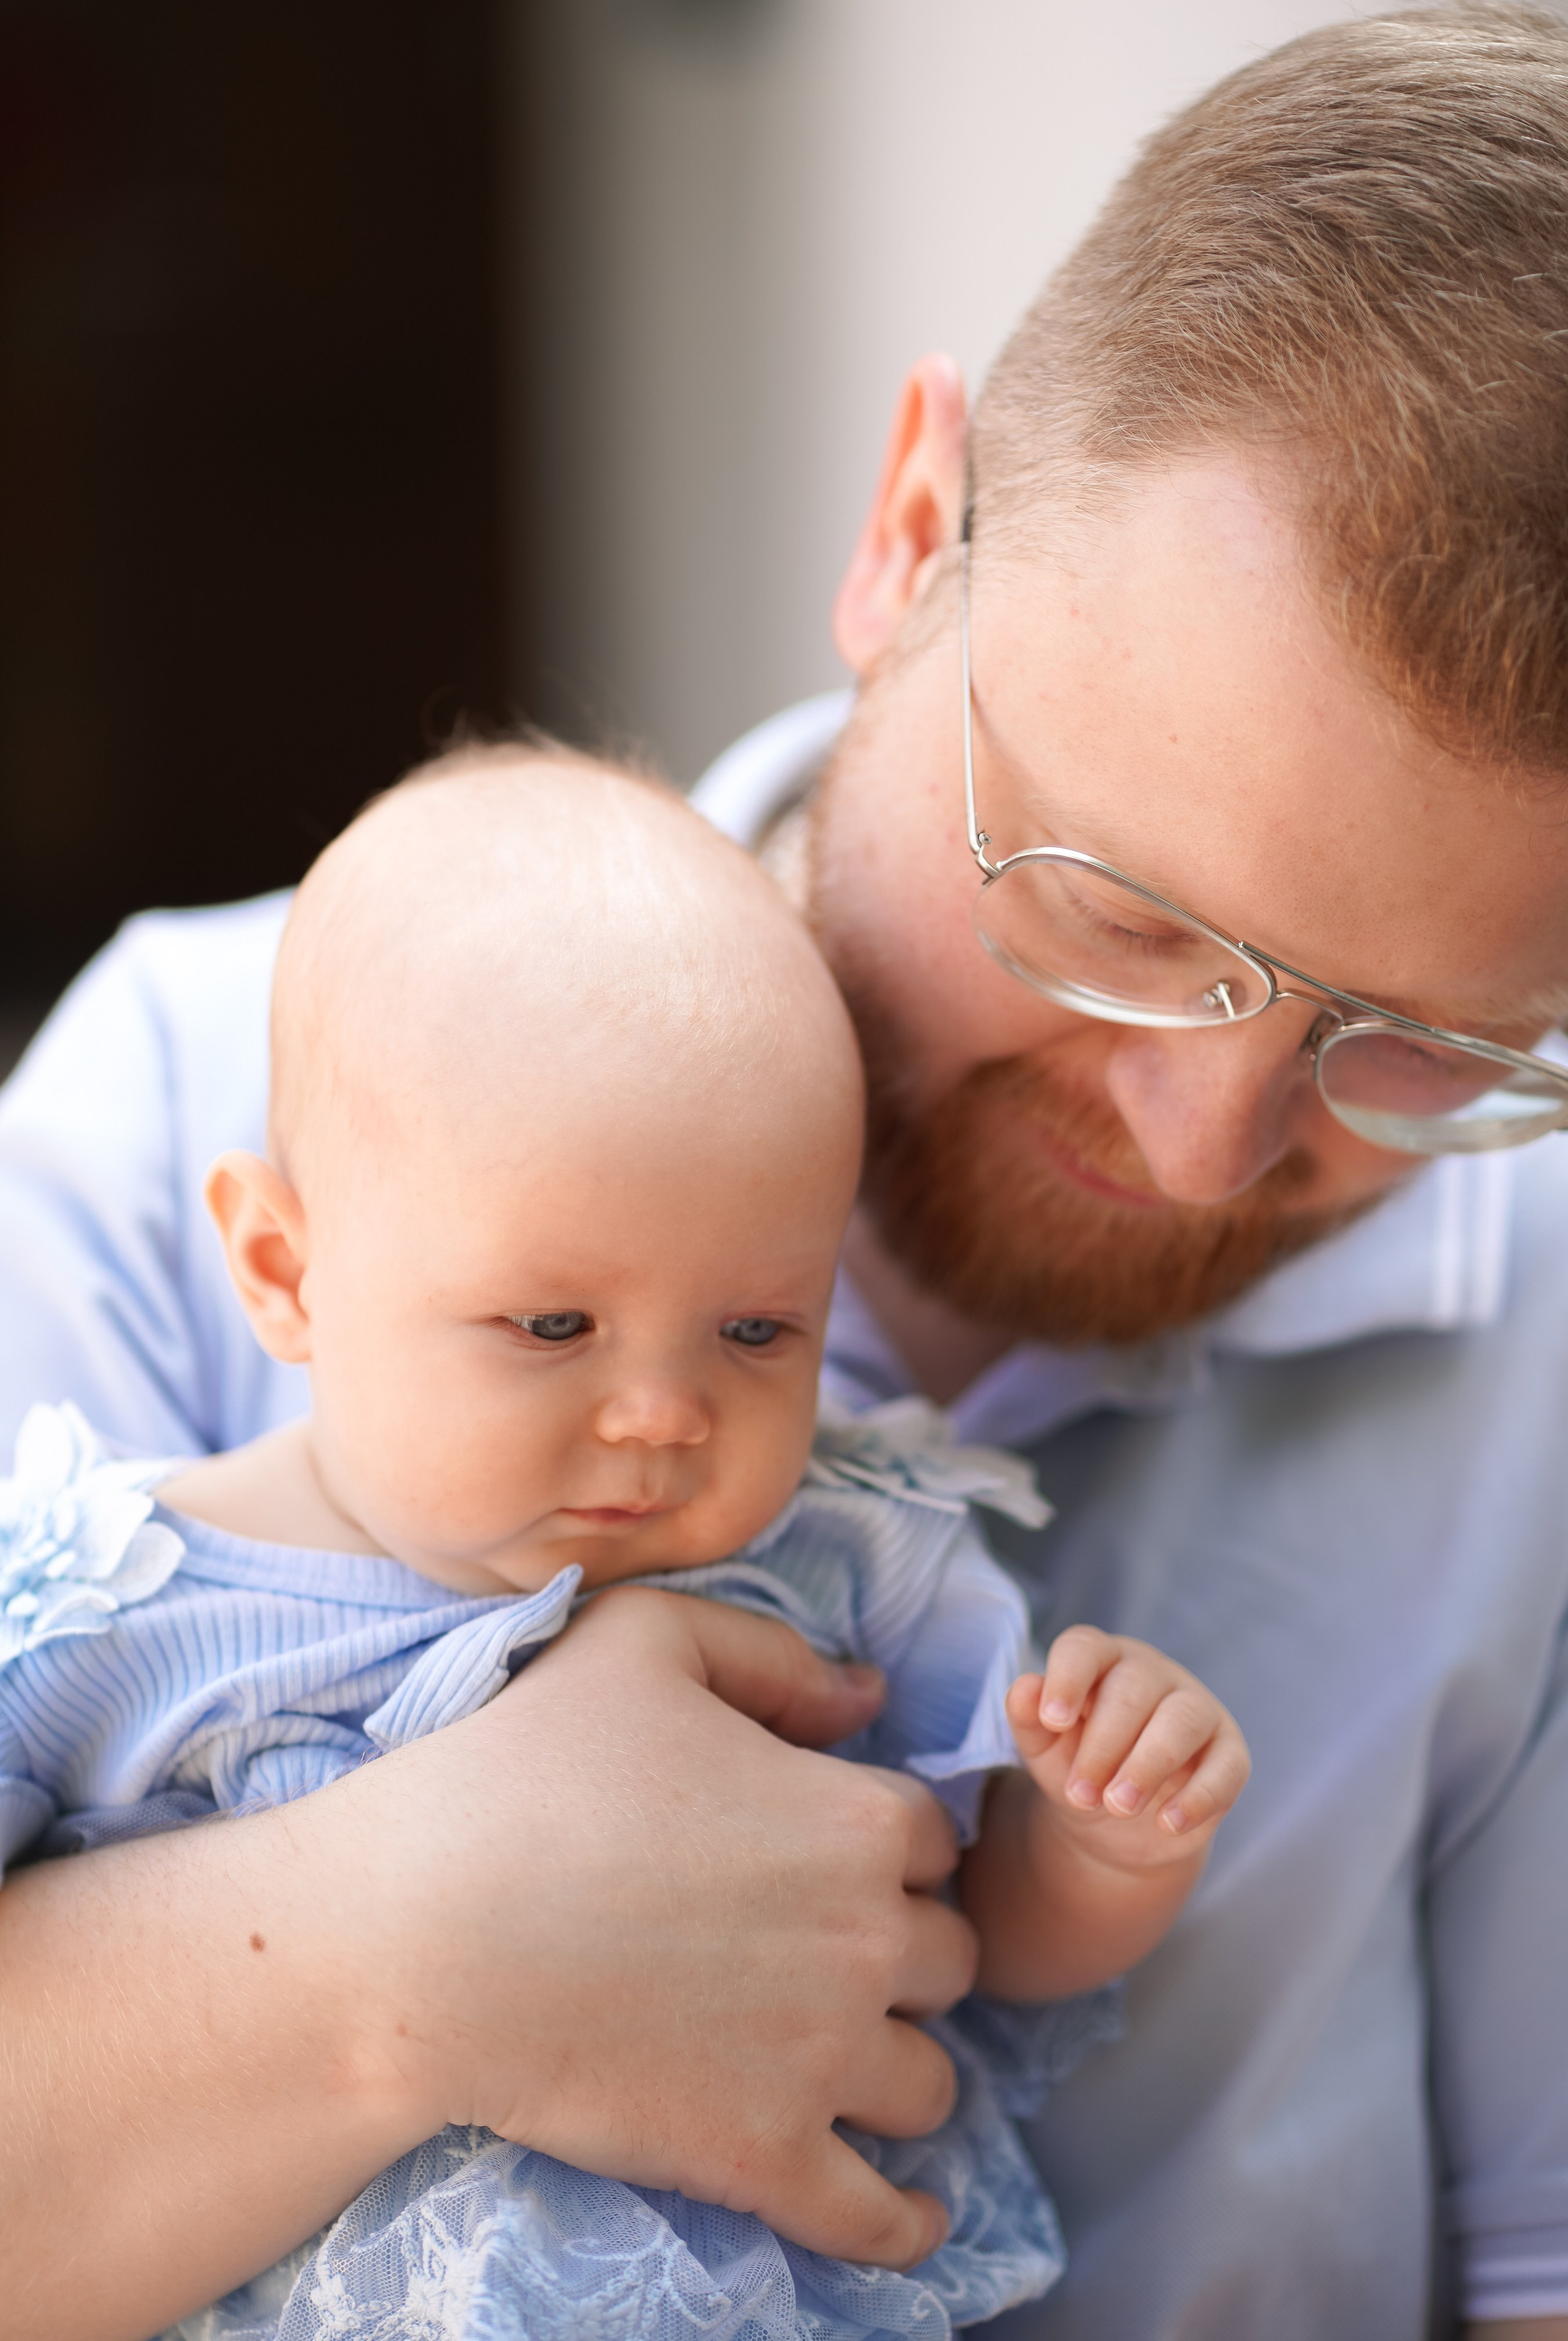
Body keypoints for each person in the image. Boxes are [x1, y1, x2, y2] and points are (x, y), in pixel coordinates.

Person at [3, 0, 1568, 2341]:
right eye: (1120, 914)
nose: (1202, 1144)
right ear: (908, 530)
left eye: (1421, 1049)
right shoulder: (195, 1096)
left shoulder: (1550, 1331)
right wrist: (405, 1952)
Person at [0, 752, 1247, 2340]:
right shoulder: (118, 1603)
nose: (662, 1412)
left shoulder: (838, 1567)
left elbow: (977, 1936)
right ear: (281, 1266)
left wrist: (1105, 1840)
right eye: (552, 1322)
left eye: (754, 1327)